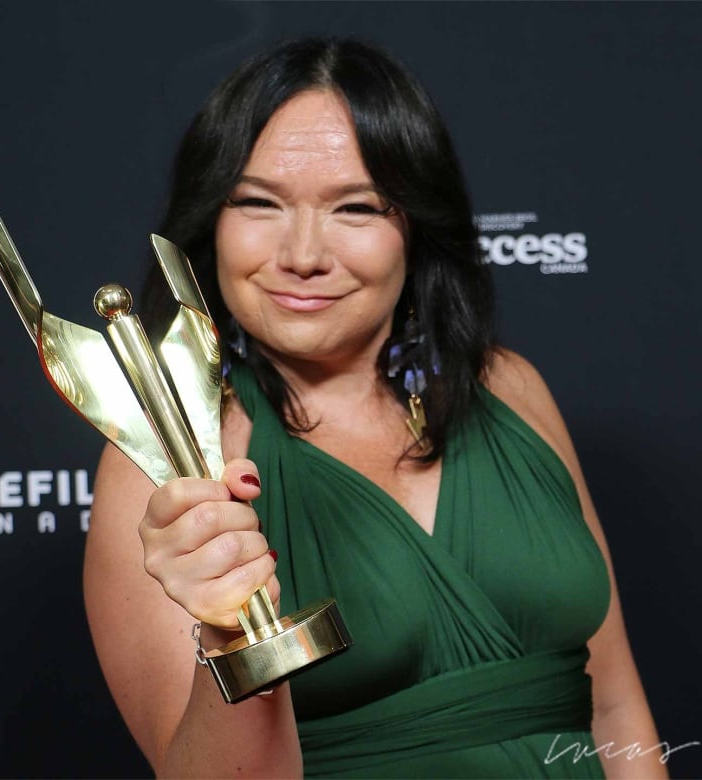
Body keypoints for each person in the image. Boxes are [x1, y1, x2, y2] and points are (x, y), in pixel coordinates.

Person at [84, 37, 665, 779]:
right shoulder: (167, 465)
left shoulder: (508, 388)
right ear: (211, 222)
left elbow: (615, 709)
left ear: (415, 225)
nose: (303, 253)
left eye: (356, 207)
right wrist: (233, 637)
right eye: (258, 202)